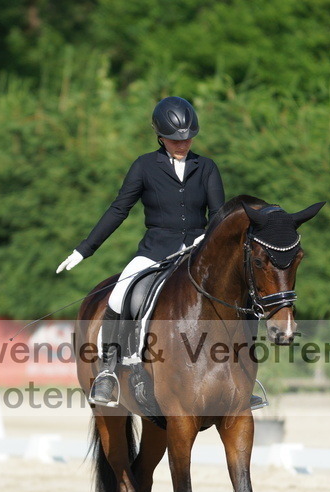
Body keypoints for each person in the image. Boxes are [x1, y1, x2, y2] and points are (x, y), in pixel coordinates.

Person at [56, 96, 227, 407]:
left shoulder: (207, 167)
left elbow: (218, 214)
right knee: (121, 294)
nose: (183, 144)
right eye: (175, 139)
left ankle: (239, 373)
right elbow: (119, 209)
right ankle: (108, 370)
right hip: (156, 250)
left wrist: (207, 243)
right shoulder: (145, 166)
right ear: (159, 136)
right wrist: (84, 249)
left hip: (198, 253)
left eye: (188, 138)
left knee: (232, 292)